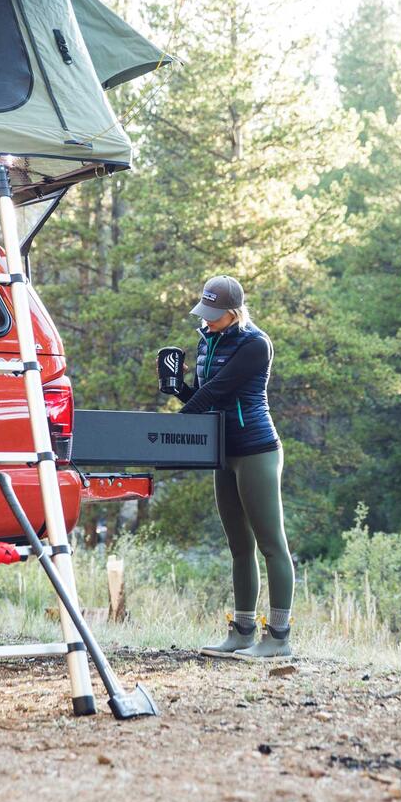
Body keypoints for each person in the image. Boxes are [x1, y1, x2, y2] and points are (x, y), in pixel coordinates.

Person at [161, 275, 294, 659]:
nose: (208, 320)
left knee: (271, 544)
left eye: (215, 315)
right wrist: (178, 388)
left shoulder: (255, 344)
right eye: (205, 313)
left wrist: (169, 426)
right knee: (239, 546)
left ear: (234, 312)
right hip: (222, 451)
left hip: (256, 450)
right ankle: (242, 631)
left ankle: (279, 637)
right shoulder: (208, 339)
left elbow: (220, 391)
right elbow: (206, 392)